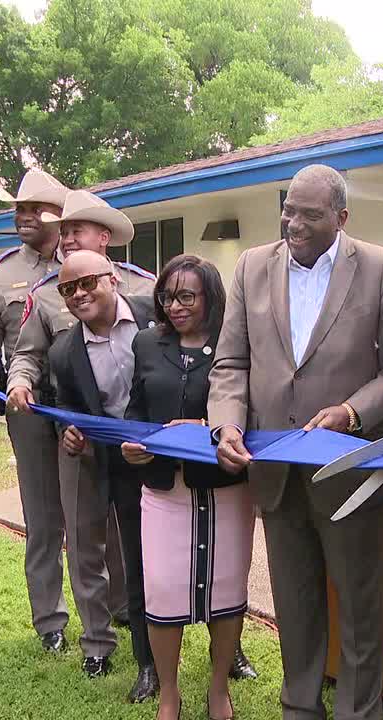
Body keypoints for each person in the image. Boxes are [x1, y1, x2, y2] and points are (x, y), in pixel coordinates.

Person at [209, 164, 383, 720]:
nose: (293, 222)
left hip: (348, 471)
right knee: (294, 607)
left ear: (341, 217)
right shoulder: (252, 266)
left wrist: (351, 412)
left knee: (358, 608)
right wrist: (225, 424)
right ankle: (299, 707)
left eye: (310, 213)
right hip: (274, 475)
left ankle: (358, 712)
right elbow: (231, 363)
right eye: (289, 209)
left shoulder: (380, 268)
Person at [7, 189, 157, 687]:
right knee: (85, 541)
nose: (66, 237)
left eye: (78, 230)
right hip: (80, 435)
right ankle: (97, 642)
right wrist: (20, 383)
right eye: (64, 230)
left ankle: (148, 629)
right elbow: (32, 356)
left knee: (148, 541)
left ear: (105, 240)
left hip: (144, 442)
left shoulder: (149, 292)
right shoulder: (47, 292)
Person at [119, 254, 253, 720]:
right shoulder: (146, 344)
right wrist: (133, 442)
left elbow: (248, 413)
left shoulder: (235, 346)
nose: (174, 306)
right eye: (167, 296)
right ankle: (169, 694)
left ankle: (219, 690)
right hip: (162, 487)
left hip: (223, 486)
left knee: (227, 585)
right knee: (161, 588)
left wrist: (203, 427)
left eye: (186, 296)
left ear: (210, 299)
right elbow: (135, 408)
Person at [0, 168, 71, 654]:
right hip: (28, 409)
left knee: (98, 516)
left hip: (85, 411)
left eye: (33, 208)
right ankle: (50, 621)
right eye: (18, 209)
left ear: (59, 216)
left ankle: (115, 608)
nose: (23, 216)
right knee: (43, 518)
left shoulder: (86, 262)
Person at [46, 250, 160, 702]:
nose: (79, 294)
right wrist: (70, 433)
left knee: (201, 555)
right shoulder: (63, 352)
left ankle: (230, 653)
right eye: (68, 289)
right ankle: (147, 665)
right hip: (119, 463)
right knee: (134, 564)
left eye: (88, 282)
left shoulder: (156, 314)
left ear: (113, 278)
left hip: (178, 453)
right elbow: (68, 409)